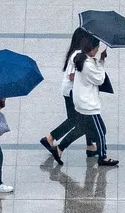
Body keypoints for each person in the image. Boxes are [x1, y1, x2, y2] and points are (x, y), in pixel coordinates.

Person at [39, 28, 101, 164]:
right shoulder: (78, 54)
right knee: (82, 121)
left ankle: (89, 146)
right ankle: (53, 140)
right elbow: (72, 76)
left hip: (70, 91)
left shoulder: (77, 52)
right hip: (73, 92)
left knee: (76, 120)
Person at [71, 39, 118, 167]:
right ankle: (102, 157)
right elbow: (99, 79)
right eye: (97, 48)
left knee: (88, 129)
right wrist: (101, 62)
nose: (98, 50)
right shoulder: (87, 64)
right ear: (91, 49)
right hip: (88, 105)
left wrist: (100, 60)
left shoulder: (82, 59)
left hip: (83, 101)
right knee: (100, 132)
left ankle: (61, 148)